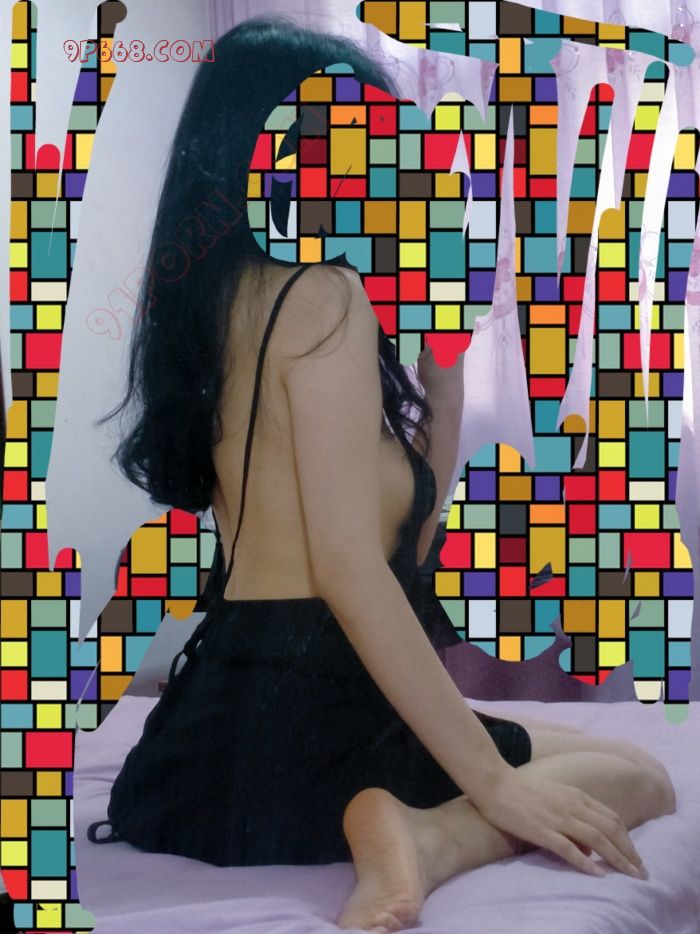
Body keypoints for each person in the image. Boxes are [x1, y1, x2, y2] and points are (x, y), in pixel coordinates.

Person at [87, 17, 676, 933]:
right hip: (321, 712)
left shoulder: (224, 303)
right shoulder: (322, 296)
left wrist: (443, 389)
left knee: (601, 761)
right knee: (640, 778)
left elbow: (387, 549)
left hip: (218, 733)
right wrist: (491, 787)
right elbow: (351, 572)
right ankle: (429, 839)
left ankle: (425, 822)